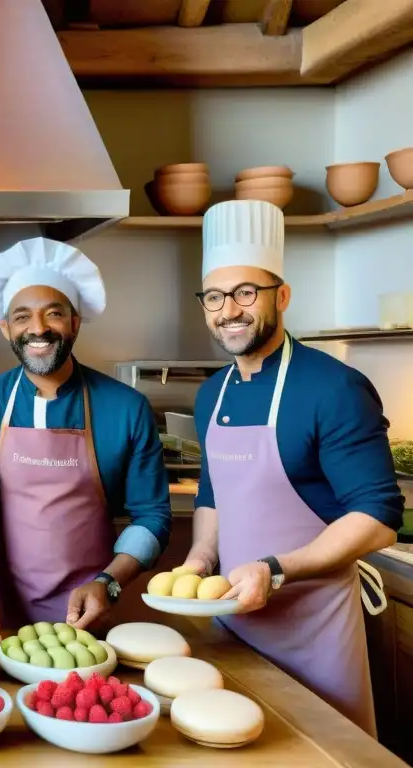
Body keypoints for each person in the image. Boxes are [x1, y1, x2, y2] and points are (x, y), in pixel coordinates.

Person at [182, 199, 403, 736]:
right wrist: (198, 559)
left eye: (245, 293)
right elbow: (213, 495)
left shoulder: (334, 387)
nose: (229, 310)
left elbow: (378, 516)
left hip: (315, 629)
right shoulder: (212, 393)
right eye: (215, 296)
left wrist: (276, 569)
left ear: (281, 295)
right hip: (234, 625)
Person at [0, 236, 173, 646]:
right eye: (22, 317)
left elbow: (152, 515)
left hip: (88, 616)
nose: (38, 329)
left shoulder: (125, 407)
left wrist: (110, 583)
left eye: (54, 314)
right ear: (5, 328)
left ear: (75, 322)